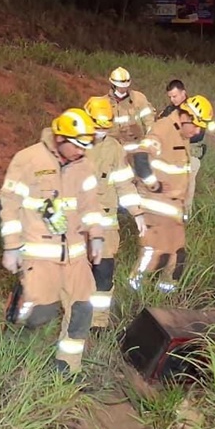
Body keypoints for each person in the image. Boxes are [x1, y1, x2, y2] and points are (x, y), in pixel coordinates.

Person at [0, 108, 105, 375]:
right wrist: (11, 246)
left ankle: (68, 368)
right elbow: (9, 204)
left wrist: (97, 236)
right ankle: (14, 345)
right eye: (78, 145)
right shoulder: (28, 160)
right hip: (38, 253)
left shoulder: (86, 165)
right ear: (61, 138)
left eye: (86, 145)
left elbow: (92, 206)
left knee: (82, 310)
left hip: (76, 255)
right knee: (39, 314)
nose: (82, 151)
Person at [130, 95, 214, 293]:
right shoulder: (164, 128)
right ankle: (136, 287)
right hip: (155, 203)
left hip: (173, 205)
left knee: (177, 254)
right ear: (185, 116)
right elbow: (141, 157)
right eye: (196, 125)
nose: (198, 131)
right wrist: (154, 185)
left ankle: (166, 293)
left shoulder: (182, 135)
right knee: (155, 250)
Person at [81, 96, 146, 328]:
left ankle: (98, 322)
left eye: (103, 129)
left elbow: (124, 184)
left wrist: (137, 212)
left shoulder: (113, 149)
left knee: (104, 273)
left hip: (105, 224)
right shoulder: (71, 143)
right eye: (96, 128)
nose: (99, 133)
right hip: (76, 224)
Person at [156, 79, 215, 221]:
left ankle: (184, 215)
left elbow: (198, 135)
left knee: (187, 185)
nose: (172, 99)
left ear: (183, 93)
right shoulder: (169, 110)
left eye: (175, 96)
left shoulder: (195, 108)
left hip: (191, 153)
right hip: (169, 153)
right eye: (170, 97)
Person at [105, 67, 156, 152]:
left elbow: (149, 122)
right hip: (114, 151)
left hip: (137, 150)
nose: (123, 89)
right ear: (113, 85)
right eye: (120, 87)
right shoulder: (105, 103)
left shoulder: (139, 99)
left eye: (125, 87)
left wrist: (149, 141)